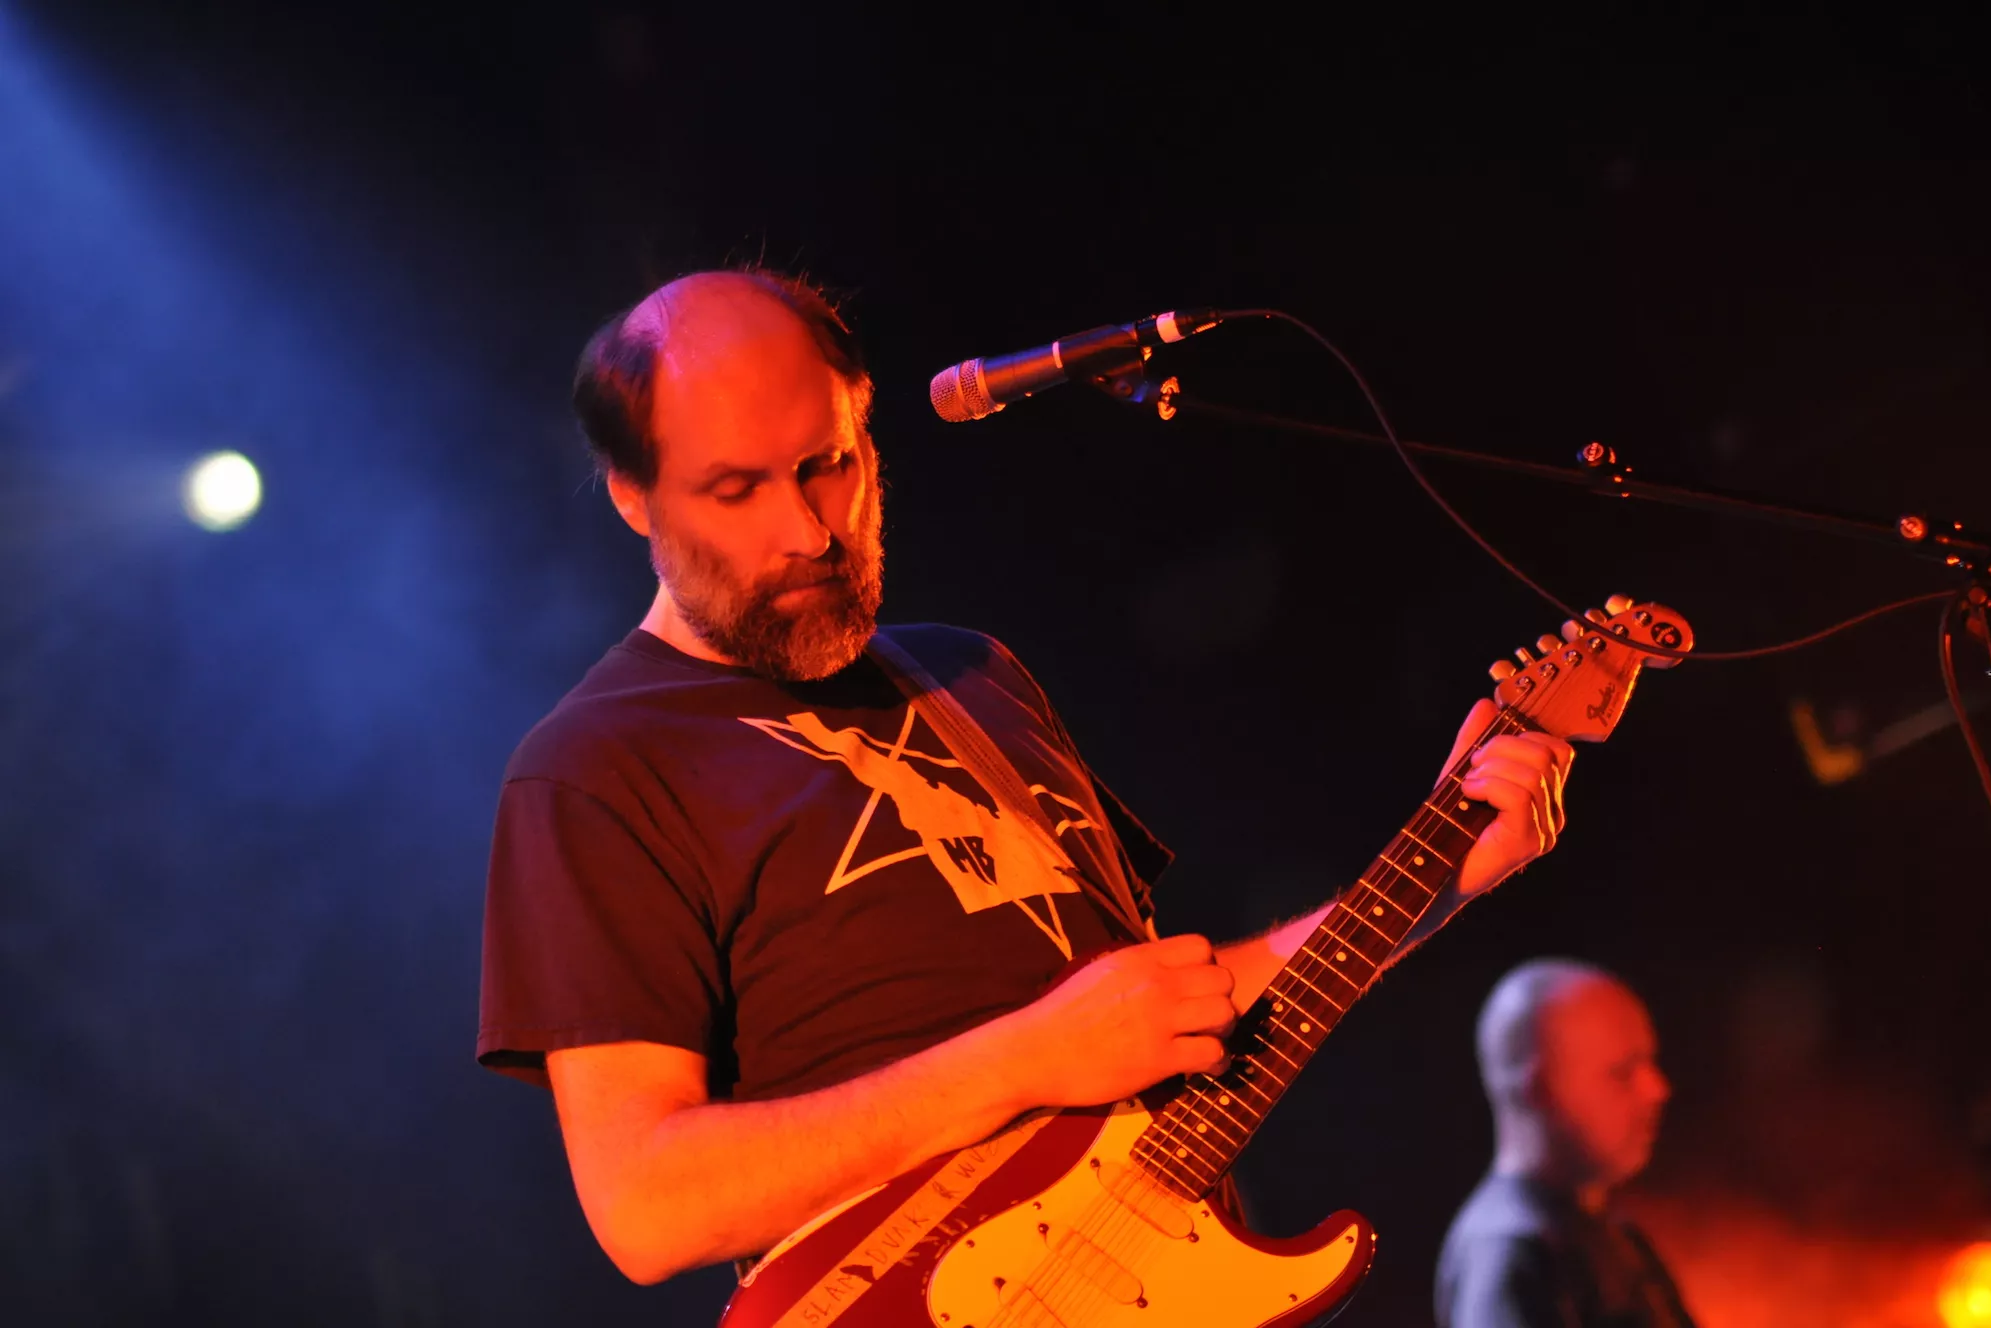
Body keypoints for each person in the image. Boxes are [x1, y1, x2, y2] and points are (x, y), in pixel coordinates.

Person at [476, 267, 1576, 1285]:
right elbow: (649, 1207)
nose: (807, 531)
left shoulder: (973, 676)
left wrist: (1433, 881)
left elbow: (1160, 1015)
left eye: (829, 465)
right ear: (633, 496)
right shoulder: (594, 768)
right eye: (735, 490)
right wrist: (1028, 1058)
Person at [1435, 959, 1698, 1328]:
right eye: (1623, 1072)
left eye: (1650, 1063)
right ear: (1540, 1089)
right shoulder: (1508, 1254)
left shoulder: (1609, 1233)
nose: (1657, 1089)